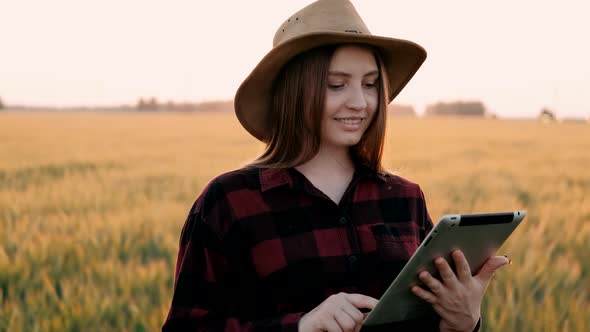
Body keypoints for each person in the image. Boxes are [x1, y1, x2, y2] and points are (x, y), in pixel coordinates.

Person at [162, 0, 510, 331]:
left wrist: (461, 322)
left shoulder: (404, 197)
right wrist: (300, 326)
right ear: (295, 91)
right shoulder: (230, 202)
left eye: (371, 84)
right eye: (337, 84)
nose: (360, 102)